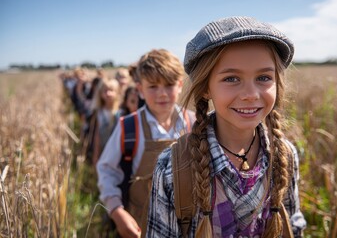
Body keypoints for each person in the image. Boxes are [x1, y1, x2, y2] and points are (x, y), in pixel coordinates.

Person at [146, 16, 306, 237]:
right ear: (205, 88)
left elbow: (293, 226)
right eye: (231, 79)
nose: (251, 95)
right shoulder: (172, 167)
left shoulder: (285, 155)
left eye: (263, 77)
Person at [96, 49, 195, 237]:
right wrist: (117, 211)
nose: (162, 94)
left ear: (180, 85)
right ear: (140, 89)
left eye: (169, 85)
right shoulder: (129, 127)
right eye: (153, 87)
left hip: (187, 224)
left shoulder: (193, 123)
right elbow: (107, 170)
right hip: (141, 222)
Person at [89, 78, 122, 165]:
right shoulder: (99, 113)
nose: (108, 94)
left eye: (111, 90)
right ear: (100, 93)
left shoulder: (121, 112)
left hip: (118, 152)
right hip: (104, 150)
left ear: (117, 92)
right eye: (105, 91)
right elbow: (97, 135)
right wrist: (96, 155)